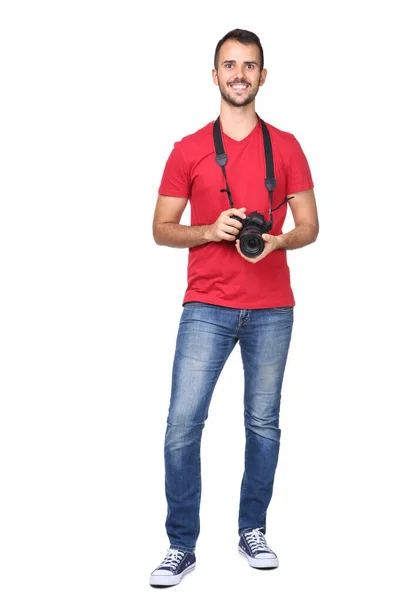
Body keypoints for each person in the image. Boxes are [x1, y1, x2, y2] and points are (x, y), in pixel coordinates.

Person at [149, 28, 319, 587]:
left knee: (262, 423)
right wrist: (207, 230)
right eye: (229, 64)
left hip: (272, 307)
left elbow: (311, 227)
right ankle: (181, 544)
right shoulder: (188, 148)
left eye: (249, 65)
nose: (239, 74)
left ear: (263, 76)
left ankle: (253, 529)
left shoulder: (288, 146)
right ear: (214, 74)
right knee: (181, 424)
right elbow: (160, 230)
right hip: (206, 305)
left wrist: (277, 240)